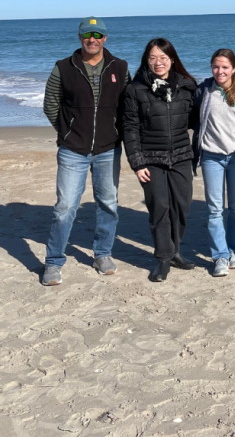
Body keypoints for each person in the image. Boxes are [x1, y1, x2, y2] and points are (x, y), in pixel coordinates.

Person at [40, 17, 131, 286]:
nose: (92, 39)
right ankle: (54, 261)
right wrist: (67, 132)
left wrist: (118, 134)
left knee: (108, 204)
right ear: (79, 37)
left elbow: (127, 107)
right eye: (87, 35)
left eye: (98, 35)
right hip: (72, 150)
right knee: (65, 207)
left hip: (108, 148)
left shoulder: (120, 67)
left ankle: (102, 254)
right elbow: (51, 105)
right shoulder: (62, 67)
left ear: (105, 38)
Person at [122, 38, 198, 282]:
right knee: (159, 208)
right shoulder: (135, 90)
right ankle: (163, 259)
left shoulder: (187, 86)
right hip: (150, 160)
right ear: (147, 60)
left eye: (163, 58)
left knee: (183, 206)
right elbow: (130, 128)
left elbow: (197, 120)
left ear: (172, 60)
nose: (159, 62)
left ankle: (175, 250)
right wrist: (137, 163)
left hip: (181, 157)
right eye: (153, 58)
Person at [193, 49, 235, 277]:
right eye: (216, 67)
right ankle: (219, 256)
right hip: (212, 157)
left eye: (225, 67)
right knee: (215, 210)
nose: (220, 71)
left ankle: (233, 251)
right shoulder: (205, 90)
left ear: (234, 68)